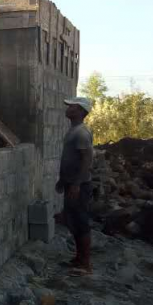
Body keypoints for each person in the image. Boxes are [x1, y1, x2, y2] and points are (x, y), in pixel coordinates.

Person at [57, 97, 95, 275]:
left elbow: (87, 159)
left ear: (80, 111)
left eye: (72, 106)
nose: (68, 108)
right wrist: (62, 180)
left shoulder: (81, 132)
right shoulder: (74, 130)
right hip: (71, 183)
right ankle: (79, 259)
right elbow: (70, 159)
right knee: (73, 220)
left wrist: (77, 184)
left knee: (81, 221)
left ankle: (85, 264)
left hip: (79, 185)